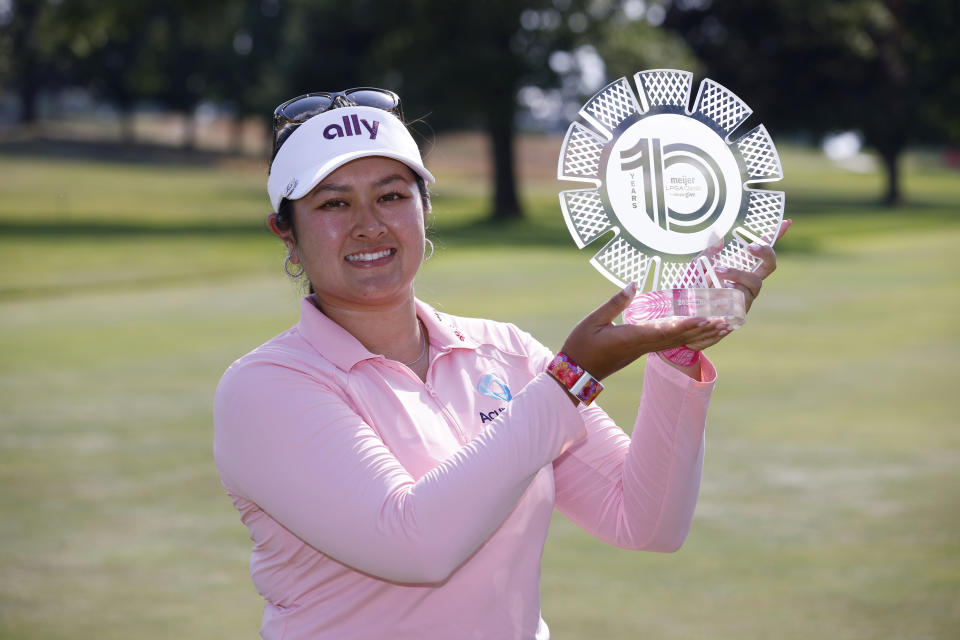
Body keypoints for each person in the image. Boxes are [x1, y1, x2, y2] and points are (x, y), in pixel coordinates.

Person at [213, 88, 789, 639]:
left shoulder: (504, 353)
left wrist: (674, 354)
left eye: (391, 195)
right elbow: (416, 544)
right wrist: (567, 381)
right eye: (334, 202)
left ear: (423, 208)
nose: (369, 224)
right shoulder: (266, 388)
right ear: (285, 232)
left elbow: (647, 522)